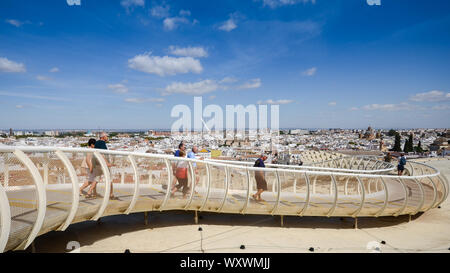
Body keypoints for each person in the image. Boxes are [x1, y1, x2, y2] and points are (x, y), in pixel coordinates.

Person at [88, 132, 116, 199]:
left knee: (96, 178)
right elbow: (102, 154)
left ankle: (89, 192)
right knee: (110, 179)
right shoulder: (102, 143)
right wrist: (107, 163)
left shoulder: (97, 143)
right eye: (106, 136)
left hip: (97, 164)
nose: (107, 137)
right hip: (103, 163)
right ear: (103, 137)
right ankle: (111, 194)